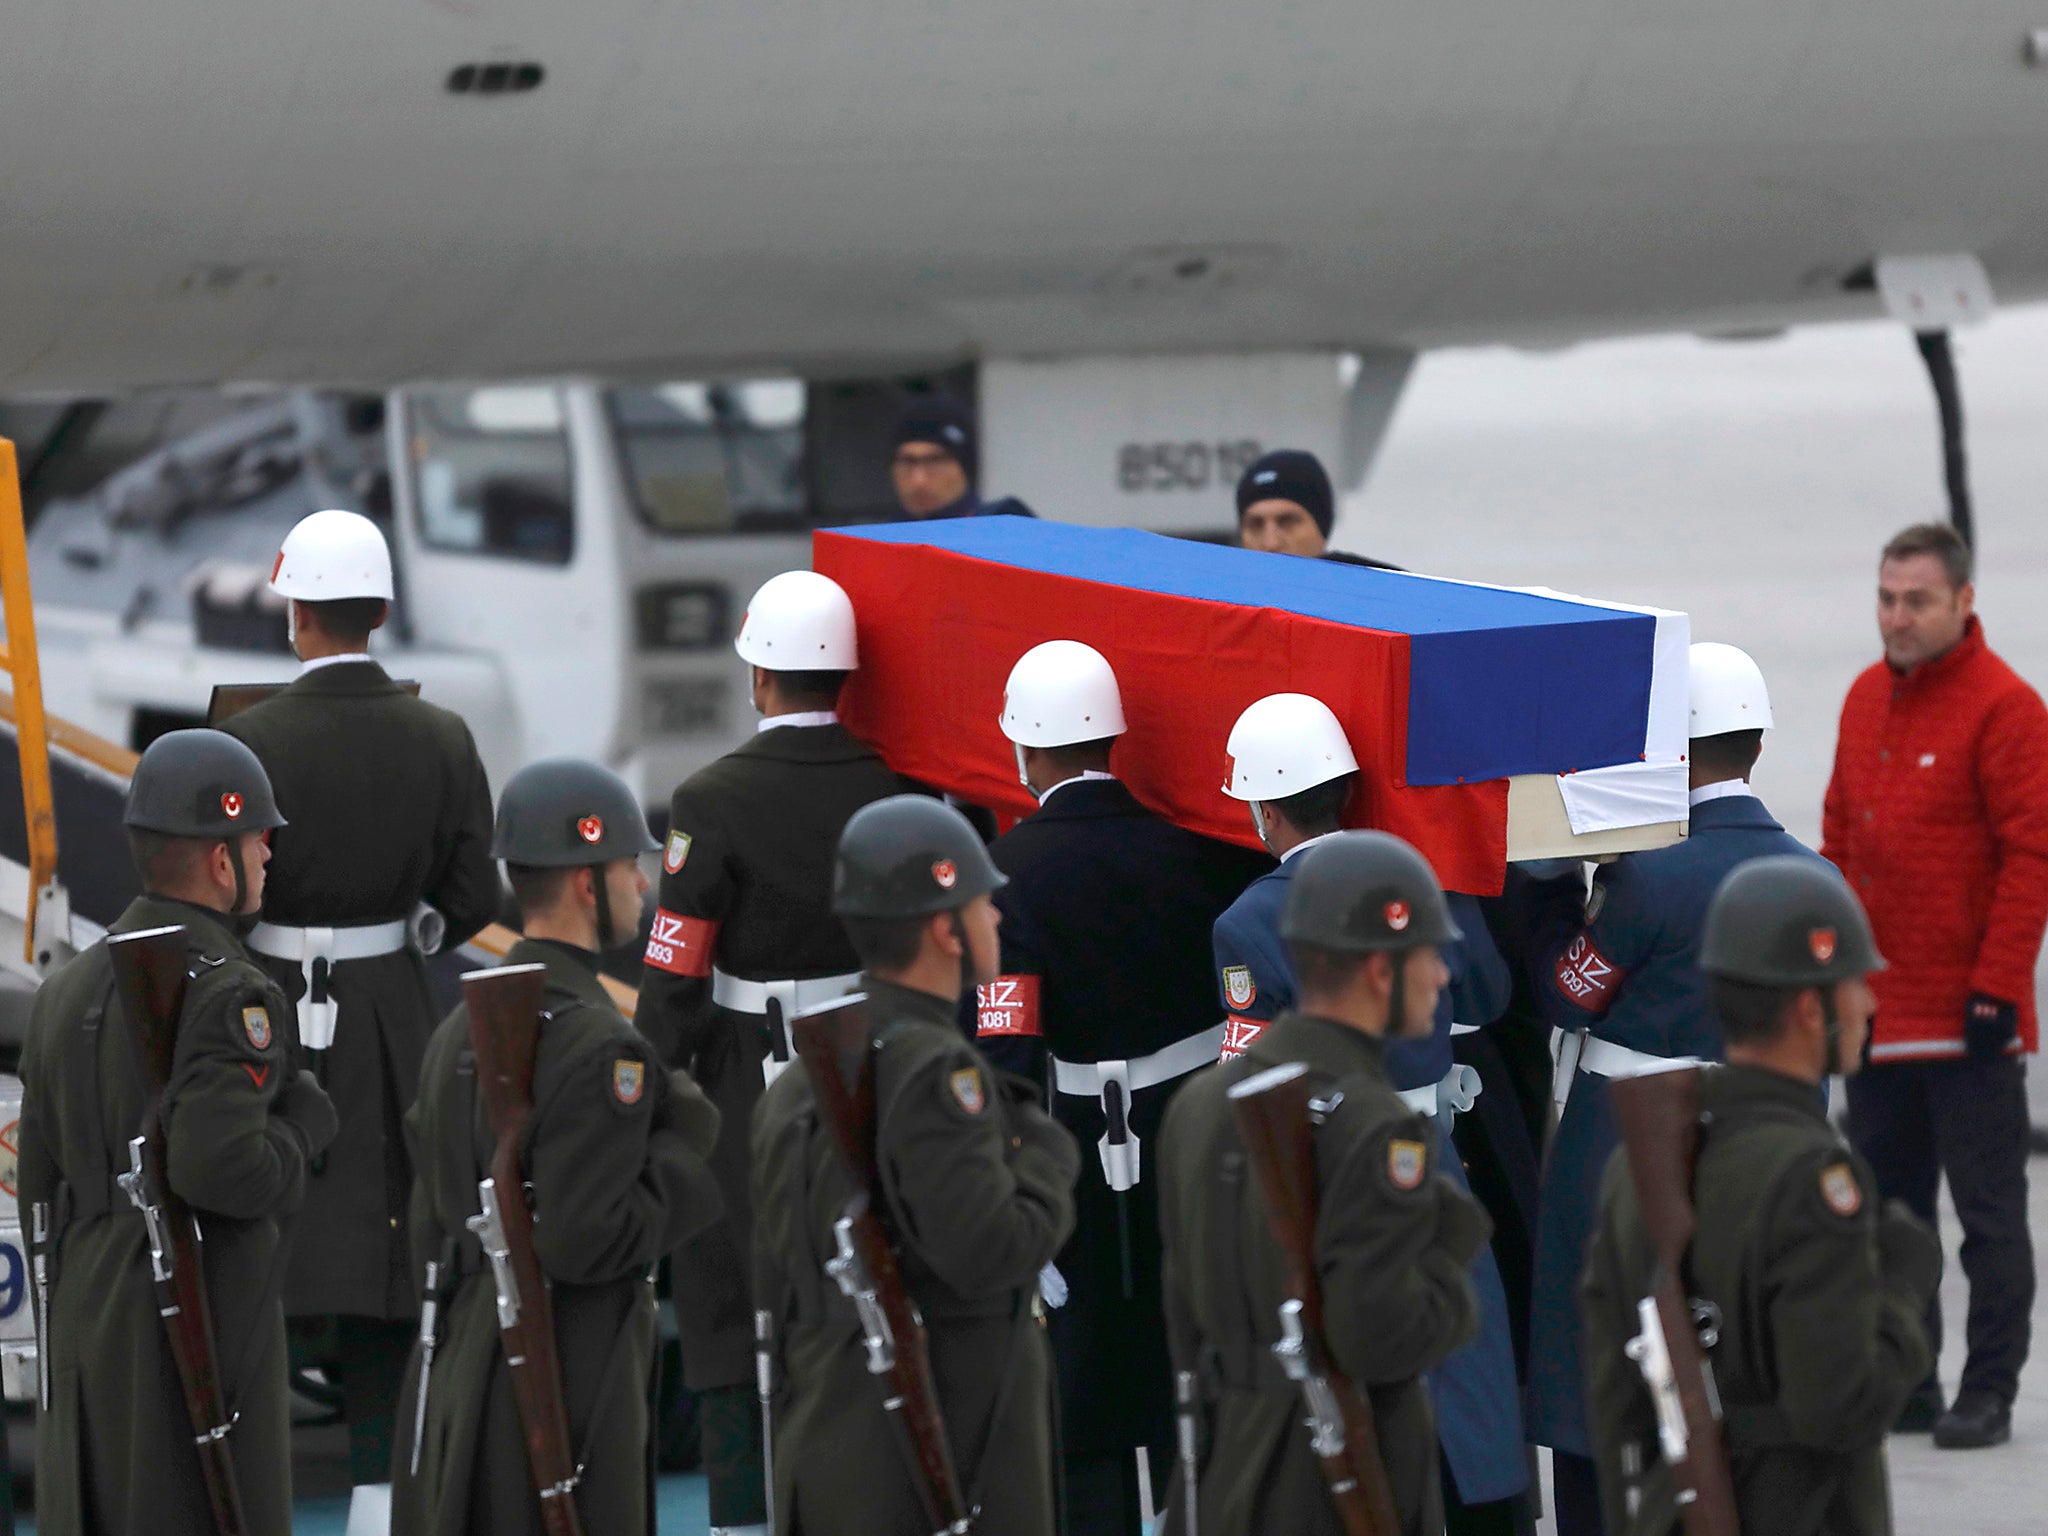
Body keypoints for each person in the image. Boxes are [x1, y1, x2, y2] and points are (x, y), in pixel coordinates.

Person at [221, 507, 499, 1530]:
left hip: (266, 1014)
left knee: (261, 1246)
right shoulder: (440, 735)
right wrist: (415, 920)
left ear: (296, 614)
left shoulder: (245, 742)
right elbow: (472, 889)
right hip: (389, 1012)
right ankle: (382, 1507)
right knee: (392, 1264)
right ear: (381, 609)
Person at [1208, 693, 1530, 1530]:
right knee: (1470, 1365)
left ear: (1263, 809)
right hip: (1437, 1154)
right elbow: (1489, 996)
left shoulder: (1249, 921)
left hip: (1333, 1176)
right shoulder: (1419, 878)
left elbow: (1248, 1076)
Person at [969, 640, 1269, 1536]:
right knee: (1195, 1362)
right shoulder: (1197, 847)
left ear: (1023, 749)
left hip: (1072, 1150)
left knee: (1088, 1384)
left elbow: (1007, 1052)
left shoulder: (1009, 877)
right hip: (1191, 1133)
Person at [1528, 640, 1826, 1528]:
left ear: (1674, 751)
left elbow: (1569, 993)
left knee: (1596, 1375)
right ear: (1758, 746)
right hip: (1761, 1150)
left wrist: (1549, 900)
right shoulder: (1818, 879)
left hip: (1622, 1144)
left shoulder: (1646, 875)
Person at [637, 569, 908, 1534]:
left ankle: (743, 1518)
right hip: (877, 1080)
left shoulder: (710, 799)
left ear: (759, 677)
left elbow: (676, 976)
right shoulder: (899, 789)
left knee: (732, 1323)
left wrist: (649, 1086)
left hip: (750, 1087)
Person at [15, 730, 339, 1533]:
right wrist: (303, 1129)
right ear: (221, 858)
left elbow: (37, 1184)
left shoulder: (63, 992)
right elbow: (224, 1168)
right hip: (190, 1313)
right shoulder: (231, 993)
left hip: (88, 1308)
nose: (269, 854)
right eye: (260, 837)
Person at [393, 759, 724, 1536]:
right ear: (586, 882)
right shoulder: (597, 1040)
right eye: (627, 869)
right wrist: (685, 1145)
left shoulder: (454, 1031)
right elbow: (585, 1239)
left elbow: (430, 1220)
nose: (642, 887)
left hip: (462, 1355)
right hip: (565, 1371)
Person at [1581, 856, 1942, 1535]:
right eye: (1856, 985)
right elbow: (1839, 1407)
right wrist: (1904, 1289)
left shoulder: (1641, 1164)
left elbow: (1612, 1398)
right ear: (1811, 1008)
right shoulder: (1811, 1178)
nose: (1869, 1004)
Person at [752, 795, 1080, 1535]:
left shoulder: (805, 1073)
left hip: (835, 1447)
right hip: (937, 1458)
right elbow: (992, 1248)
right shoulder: (932, 1070)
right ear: (944, 927)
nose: (997, 919)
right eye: (983, 904)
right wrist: (1049, 1157)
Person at [1159, 831, 1492, 1536]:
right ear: (1380, 969)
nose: (1441, 976)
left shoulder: (1197, 1107)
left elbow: (1184, 1312)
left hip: (1228, 1468)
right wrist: (1453, 1270)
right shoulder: (1377, 1124)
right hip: (1341, 1477)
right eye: (1429, 956)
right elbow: (1382, 1336)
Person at [1824, 521, 2048, 1450]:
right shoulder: (1865, 698)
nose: (1897, 617)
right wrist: (1833, 977)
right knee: (1890, 1217)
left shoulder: (2008, 711)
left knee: (1989, 1221)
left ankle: (1988, 1389)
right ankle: (1910, 1378)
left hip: (1969, 1023)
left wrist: (1997, 986)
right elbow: (1837, 842)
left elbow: (2033, 856)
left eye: (1916, 599)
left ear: (1963, 602)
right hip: (1879, 1017)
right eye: (1886, 597)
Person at [1233, 448, 1394, 568]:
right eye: (1255, 525)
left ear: (1321, 526)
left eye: (1287, 522)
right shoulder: (1217, 602)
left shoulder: (1387, 596)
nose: (1271, 543)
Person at [890, 399, 1035, 520]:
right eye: (907, 462)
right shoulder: (879, 543)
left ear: (965, 467)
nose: (919, 480)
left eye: (935, 461)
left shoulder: (1007, 532)